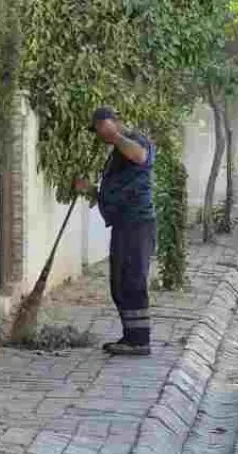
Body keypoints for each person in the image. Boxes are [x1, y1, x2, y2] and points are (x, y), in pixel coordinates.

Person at [80, 107, 157, 356]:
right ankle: (130, 337)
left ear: (115, 122)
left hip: (137, 223)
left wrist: (115, 136)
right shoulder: (116, 152)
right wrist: (91, 190)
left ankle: (140, 341)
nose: (101, 135)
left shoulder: (135, 141)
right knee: (120, 283)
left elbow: (140, 156)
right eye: (99, 131)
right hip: (123, 224)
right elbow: (115, 190)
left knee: (133, 281)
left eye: (103, 128)